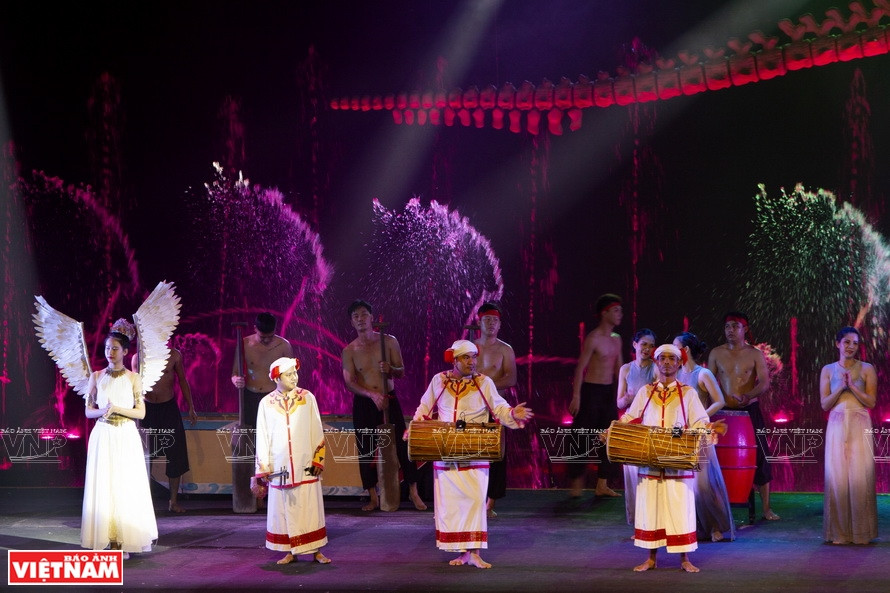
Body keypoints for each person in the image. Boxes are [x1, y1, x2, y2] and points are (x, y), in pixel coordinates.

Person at [410, 340, 533, 568]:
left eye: (474, 357)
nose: (472, 362)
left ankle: (474, 552)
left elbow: (499, 408)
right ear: (455, 360)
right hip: (446, 452)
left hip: (475, 450)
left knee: (475, 502)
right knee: (453, 505)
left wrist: (513, 413)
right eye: (466, 357)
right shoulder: (440, 380)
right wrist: (415, 428)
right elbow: (424, 407)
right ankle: (462, 553)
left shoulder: (483, 383)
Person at [621, 344, 709, 573]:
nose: (667, 362)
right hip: (650, 460)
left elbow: (700, 422)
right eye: (662, 358)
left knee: (680, 508)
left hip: (678, 462)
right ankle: (651, 559)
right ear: (656, 362)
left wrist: (706, 431)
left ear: (680, 363)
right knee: (651, 508)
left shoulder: (688, 393)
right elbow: (630, 418)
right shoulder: (646, 392)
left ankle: (684, 558)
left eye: (672, 358)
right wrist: (613, 431)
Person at [81, 320, 157, 559]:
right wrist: (103, 411)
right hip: (103, 433)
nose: (110, 353)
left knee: (124, 484)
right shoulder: (96, 376)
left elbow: (140, 413)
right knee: (103, 484)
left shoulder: (134, 379)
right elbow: (88, 411)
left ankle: (121, 542)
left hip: (125, 434)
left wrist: (117, 410)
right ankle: (105, 539)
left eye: (115, 348)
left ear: (125, 351)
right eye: (107, 348)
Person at [341, 299, 426, 511]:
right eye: (355, 316)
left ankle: (413, 492)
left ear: (372, 317)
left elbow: (401, 371)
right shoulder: (349, 350)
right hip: (364, 401)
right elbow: (349, 382)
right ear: (352, 322)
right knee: (366, 447)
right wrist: (371, 395)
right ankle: (372, 496)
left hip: (389, 398)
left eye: (363, 315)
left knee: (401, 444)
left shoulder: (388, 341)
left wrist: (390, 368)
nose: (360, 319)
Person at [251, 357, 331, 565]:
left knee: (310, 508)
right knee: (284, 510)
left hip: (305, 464)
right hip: (280, 467)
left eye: (295, 373)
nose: (294, 377)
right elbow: (263, 436)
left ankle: (316, 550)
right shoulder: (266, 403)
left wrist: (318, 459)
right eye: (289, 374)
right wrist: (263, 467)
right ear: (277, 377)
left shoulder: (307, 398)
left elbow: (316, 429)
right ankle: (290, 551)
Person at [708, 311, 779, 521]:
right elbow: (708, 382)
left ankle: (766, 509)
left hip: (750, 411)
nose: (731, 330)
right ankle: (716, 506)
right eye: (727, 326)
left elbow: (764, 382)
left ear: (745, 329)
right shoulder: (716, 353)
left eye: (735, 326)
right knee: (717, 459)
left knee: (761, 457)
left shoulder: (754, 354)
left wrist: (748, 396)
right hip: (723, 414)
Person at [674, 331, 734, 542]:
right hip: (680, 434)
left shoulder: (702, 374)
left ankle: (715, 526)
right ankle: (690, 527)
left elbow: (719, 400)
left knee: (703, 484)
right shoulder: (676, 374)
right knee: (682, 483)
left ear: (686, 350)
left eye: (676, 347)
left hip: (699, 434)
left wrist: (700, 417)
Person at [820, 326, 877, 545]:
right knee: (838, 476)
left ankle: (861, 533)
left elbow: (871, 402)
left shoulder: (866, 369)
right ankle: (840, 534)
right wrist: (840, 388)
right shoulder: (827, 369)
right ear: (837, 344)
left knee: (859, 475)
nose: (851, 347)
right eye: (846, 342)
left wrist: (852, 386)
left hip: (859, 422)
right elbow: (824, 404)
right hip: (836, 423)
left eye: (855, 343)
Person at [568, 293, 623, 498]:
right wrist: (576, 396)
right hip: (590, 391)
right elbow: (580, 367)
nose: (620, 314)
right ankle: (576, 481)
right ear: (605, 312)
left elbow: (619, 369)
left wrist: (623, 395)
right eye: (616, 310)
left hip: (608, 393)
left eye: (621, 310)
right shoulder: (593, 338)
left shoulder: (617, 340)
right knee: (581, 437)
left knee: (609, 437)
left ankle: (603, 483)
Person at [133, 342, 198, 513]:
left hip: (168, 408)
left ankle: (173, 501)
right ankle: (143, 502)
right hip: (147, 410)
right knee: (146, 456)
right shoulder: (138, 357)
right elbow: (134, 388)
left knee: (176, 454)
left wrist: (191, 406)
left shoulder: (174, 355)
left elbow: (183, 380)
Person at [472, 302, 517, 518]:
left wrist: (486, 387)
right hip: (472, 409)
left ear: (499, 325)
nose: (491, 324)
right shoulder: (470, 349)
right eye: (487, 319)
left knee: (496, 454)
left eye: (495, 320)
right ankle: (474, 498)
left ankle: (490, 502)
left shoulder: (504, 349)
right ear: (479, 322)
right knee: (473, 452)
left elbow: (511, 378)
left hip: (496, 407)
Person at [615, 328, 657, 525]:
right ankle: (637, 521)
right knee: (631, 475)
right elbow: (619, 403)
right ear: (634, 344)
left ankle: (653, 519)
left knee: (649, 473)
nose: (647, 349)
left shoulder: (656, 368)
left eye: (650, 345)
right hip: (631, 424)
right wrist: (631, 397)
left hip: (650, 423)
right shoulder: (626, 369)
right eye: (643, 344)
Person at [231, 312, 294, 428]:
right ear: (255, 329)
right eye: (262, 337)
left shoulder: (284, 346)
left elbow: (293, 377)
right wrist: (236, 380)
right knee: (252, 435)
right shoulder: (244, 343)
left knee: (275, 434)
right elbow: (234, 373)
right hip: (251, 397)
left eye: (270, 336)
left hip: (275, 397)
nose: (266, 340)